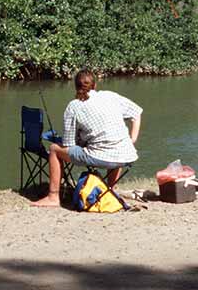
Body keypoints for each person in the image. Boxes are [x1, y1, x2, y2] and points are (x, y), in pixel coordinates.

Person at [31, 70, 143, 207]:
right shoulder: (110, 96)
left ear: (76, 87)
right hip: (127, 155)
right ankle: (109, 190)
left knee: (54, 149)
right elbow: (136, 112)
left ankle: (53, 196)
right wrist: (132, 139)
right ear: (95, 85)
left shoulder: (74, 106)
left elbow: (68, 144)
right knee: (113, 144)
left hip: (102, 156)